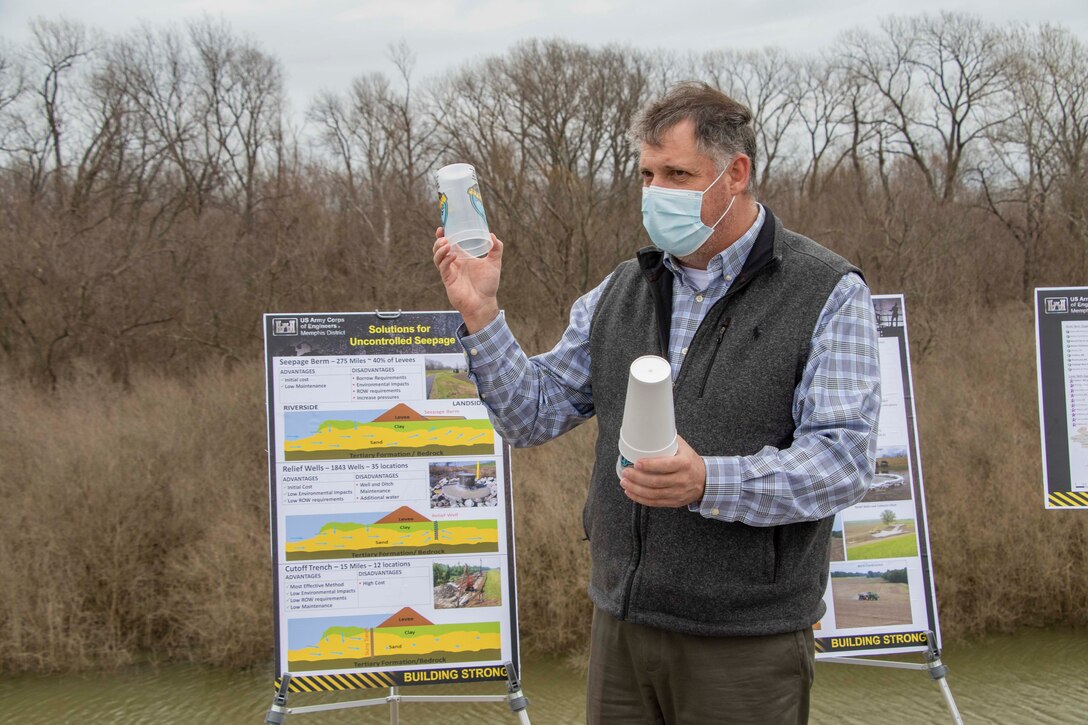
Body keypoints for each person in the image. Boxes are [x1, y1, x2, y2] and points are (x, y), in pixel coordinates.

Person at [432, 82, 880, 725]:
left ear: (736, 174)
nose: (656, 192)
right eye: (647, 174)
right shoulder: (622, 289)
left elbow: (843, 460)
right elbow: (529, 414)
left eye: (676, 173)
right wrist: (481, 316)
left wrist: (709, 480)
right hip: (623, 624)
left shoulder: (826, 291)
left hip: (745, 642)